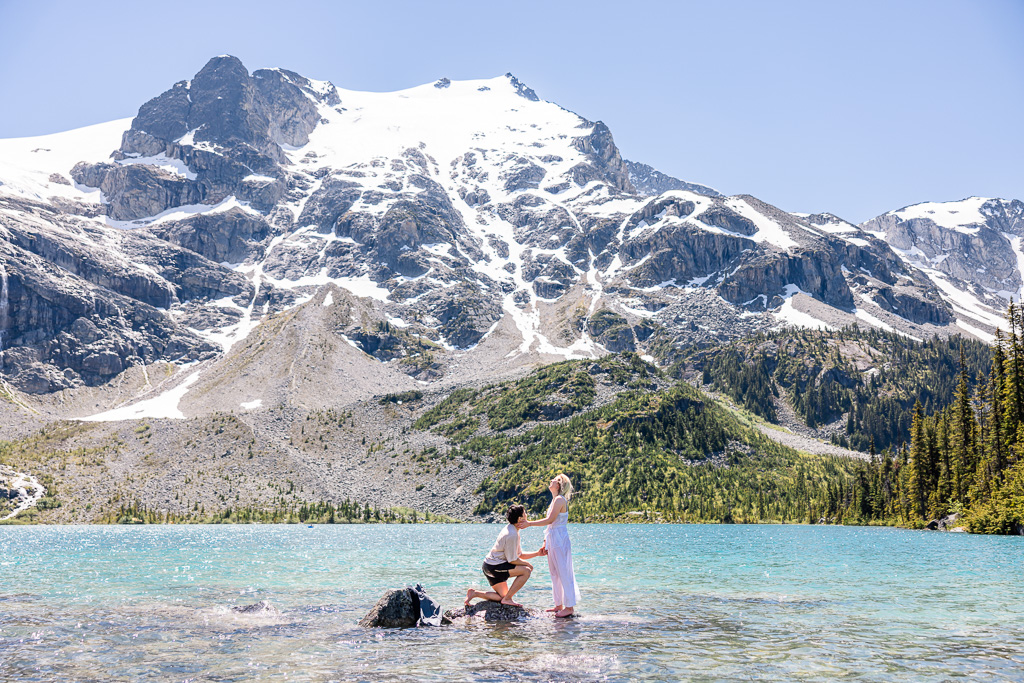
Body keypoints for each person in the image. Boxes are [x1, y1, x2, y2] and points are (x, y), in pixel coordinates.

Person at [465, 504, 547, 608]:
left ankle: (474, 593)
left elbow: (519, 555)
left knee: (501, 598)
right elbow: (512, 560)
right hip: (494, 567)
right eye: (525, 513)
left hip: (489, 565)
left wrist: (537, 553)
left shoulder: (512, 529)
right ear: (520, 518)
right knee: (526, 571)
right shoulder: (511, 534)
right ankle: (508, 599)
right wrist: (528, 564)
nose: (526, 514)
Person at [522, 473, 580, 617]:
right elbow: (550, 525)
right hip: (553, 538)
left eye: (554, 480)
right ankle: (558, 604)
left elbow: (549, 520)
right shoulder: (555, 500)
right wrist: (545, 542)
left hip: (560, 539)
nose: (551, 481)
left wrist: (529, 524)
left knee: (563, 572)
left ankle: (569, 607)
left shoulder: (560, 500)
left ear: (559, 485)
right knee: (554, 573)